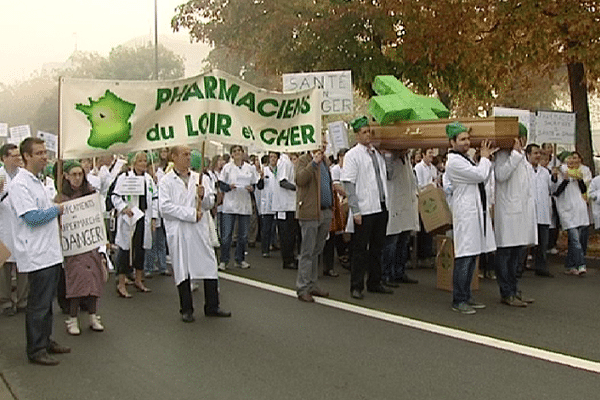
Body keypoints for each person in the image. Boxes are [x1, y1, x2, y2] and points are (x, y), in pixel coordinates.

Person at [9, 137, 70, 365]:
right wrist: (57, 210)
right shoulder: (20, 185)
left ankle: (46, 339)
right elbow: (32, 218)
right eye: (40, 153)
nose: (45, 156)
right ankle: (36, 349)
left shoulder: (39, 181)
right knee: (39, 303)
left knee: (48, 302)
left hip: (50, 251)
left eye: (46, 152)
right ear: (27, 157)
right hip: (36, 253)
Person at [159, 146, 231, 322]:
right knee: (183, 268)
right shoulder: (166, 181)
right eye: (185, 155)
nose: (189, 158)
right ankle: (186, 309)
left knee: (208, 263)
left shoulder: (200, 178)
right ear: (174, 157)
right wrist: (190, 214)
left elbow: (208, 204)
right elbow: (165, 208)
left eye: (190, 155)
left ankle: (212, 306)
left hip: (199, 229)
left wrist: (204, 195)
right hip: (180, 231)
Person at [444, 122, 496, 314]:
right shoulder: (454, 162)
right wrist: (484, 158)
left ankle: (466, 295)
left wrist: (484, 159)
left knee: (472, 255)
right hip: (465, 214)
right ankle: (458, 299)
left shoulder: (466, 159)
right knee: (464, 256)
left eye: (468, 138)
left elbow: (484, 173)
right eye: (462, 139)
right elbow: (480, 175)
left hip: (475, 212)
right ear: (452, 142)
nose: (467, 142)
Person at [342, 116, 393, 300]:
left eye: (369, 131)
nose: (368, 135)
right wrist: (355, 210)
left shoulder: (376, 154)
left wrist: (387, 156)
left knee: (378, 247)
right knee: (360, 250)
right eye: (364, 132)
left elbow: (387, 175)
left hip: (380, 206)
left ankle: (375, 282)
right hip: (364, 209)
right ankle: (356, 286)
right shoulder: (352, 155)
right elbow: (348, 184)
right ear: (357, 135)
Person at [55, 161, 107, 335]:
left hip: (91, 246)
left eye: (80, 174)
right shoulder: (61, 198)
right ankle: (72, 318)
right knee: (76, 283)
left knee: (94, 280)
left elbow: (98, 217)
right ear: (66, 176)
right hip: (74, 248)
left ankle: (93, 316)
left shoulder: (91, 194)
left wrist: (102, 241)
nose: (77, 178)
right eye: (74, 174)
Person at [494, 124, 537, 307]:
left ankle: (514, 290)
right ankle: (506, 292)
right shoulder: (503, 156)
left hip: (521, 216)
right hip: (508, 215)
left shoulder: (524, 160)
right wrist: (515, 154)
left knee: (516, 256)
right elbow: (501, 175)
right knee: (506, 255)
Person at [112, 152, 158, 298]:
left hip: (144, 217)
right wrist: (124, 208)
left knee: (141, 249)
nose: (143, 163)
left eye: (145, 161)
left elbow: (155, 198)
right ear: (134, 163)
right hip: (130, 218)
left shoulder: (149, 179)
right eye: (140, 161)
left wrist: (154, 217)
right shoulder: (124, 177)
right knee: (125, 250)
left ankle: (138, 279)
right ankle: (121, 283)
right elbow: (115, 196)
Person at [295, 140, 333, 302]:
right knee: (307, 251)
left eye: (325, 142)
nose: (324, 144)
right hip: (310, 212)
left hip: (324, 211)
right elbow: (300, 180)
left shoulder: (325, 161)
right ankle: (302, 287)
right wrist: (313, 163)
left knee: (317, 250)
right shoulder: (304, 160)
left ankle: (312, 284)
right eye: (321, 141)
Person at [381, 150, 419, 287]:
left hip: (406, 206)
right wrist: (392, 156)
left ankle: (399, 272)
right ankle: (386, 274)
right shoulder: (388, 157)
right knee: (391, 243)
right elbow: (388, 175)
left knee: (404, 241)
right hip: (394, 206)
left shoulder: (407, 159)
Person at [218, 145, 259, 269]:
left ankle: (240, 259)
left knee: (243, 235)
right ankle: (224, 260)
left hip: (244, 205)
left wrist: (252, 189)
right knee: (226, 236)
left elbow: (255, 184)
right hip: (230, 205)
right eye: (234, 151)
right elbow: (221, 185)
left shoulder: (250, 168)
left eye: (239, 151)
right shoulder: (227, 168)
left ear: (243, 153)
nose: (237, 153)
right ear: (231, 154)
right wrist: (229, 187)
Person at [0, 144, 27, 316]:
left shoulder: (24, 177)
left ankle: (23, 300)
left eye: (19, 156)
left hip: (22, 226)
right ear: (4, 158)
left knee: (23, 265)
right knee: (4, 267)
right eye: (14, 156)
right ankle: (5, 301)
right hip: (3, 227)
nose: (18, 159)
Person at [552, 153, 589, 275]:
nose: (572, 161)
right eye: (569, 159)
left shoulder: (579, 172)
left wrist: (579, 179)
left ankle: (570, 264)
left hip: (579, 209)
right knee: (575, 239)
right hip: (566, 210)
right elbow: (556, 192)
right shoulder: (560, 172)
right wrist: (566, 180)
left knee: (576, 240)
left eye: (574, 158)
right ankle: (581, 264)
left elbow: (583, 190)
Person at [526, 144, 554, 278]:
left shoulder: (545, 172)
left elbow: (553, 189)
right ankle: (519, 267)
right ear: (528, 155)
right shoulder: (524, 170)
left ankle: (541, 267)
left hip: (543, 212)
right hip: (528, 212)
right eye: (535, 153)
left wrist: (554, 177)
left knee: (543, 243)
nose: (538, 156)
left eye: (539, 153)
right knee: (526, 243)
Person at [272, 152, 300, 269]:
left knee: (291, 234)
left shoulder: (288, 162)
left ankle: (290, 257)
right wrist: (296, 188)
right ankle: (287, 260)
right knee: (286, 234)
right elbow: (282, 182)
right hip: (284, 205)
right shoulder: (284, 162)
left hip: (289, 205)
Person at [257, 152, 279, 258]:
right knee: (266, 228)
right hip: (267, 204)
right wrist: (261, 178)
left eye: (274, 157)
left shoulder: (280, 170)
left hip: (279, 203)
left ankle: (275, 245)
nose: (272, 159)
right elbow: (259, 186)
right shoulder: (264, 170)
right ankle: (265, 249)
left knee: (278, 228)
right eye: (271, 157)